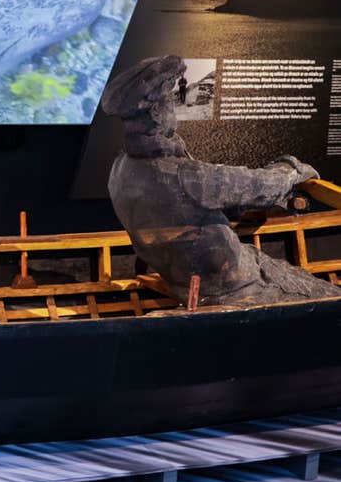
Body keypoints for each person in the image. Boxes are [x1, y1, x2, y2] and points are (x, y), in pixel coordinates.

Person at [101, 55, 341, 306]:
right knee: (330, 297)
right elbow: (264, 186)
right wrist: (291, 169)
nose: (175, 108)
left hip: (189, 281)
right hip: (232, 289)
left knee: (293, 274)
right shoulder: (181, 174)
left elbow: (198, 204)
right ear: (158, 112)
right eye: (171, 102)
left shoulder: (121, 168)